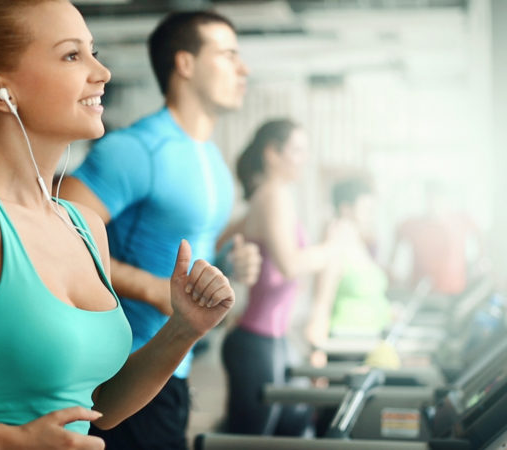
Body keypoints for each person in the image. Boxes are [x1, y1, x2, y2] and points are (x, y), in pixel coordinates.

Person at [0, 1, 235, 448]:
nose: (102, 73)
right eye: (71, 55)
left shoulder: (83, 226)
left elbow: (101, 406)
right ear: (1, 91)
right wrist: (10, 442)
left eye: (93, 52)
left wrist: (183, 329)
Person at [59, 10, 260, 450]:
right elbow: (51, 236)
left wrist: (226, 266)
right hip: (123, 375)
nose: (242, 69)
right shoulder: (136, 150)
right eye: (228, 56)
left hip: (176, 368)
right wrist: (151, 287)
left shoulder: (212, 161)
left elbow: (183, 252)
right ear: (185, 64)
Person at [219, 119, 338, 435]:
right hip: (257, 340)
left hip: (271, 338)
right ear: (272, 153)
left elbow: (222, 240)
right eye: (297, 150)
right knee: (250, 440)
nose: (304, 159)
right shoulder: (273, 195)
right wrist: (331, 249)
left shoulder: (266, 196)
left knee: (288, 430)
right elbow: (288, 265)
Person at [306, 177, 391, 355]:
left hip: (369, 342)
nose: (371, 215)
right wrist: (317, 353)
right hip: (345, 346)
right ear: (346, 209)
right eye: (366, 209)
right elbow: (321, 303)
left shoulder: (358, 241)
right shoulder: (335, 245)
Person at [387, 180, 487, 296]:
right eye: (430, 199)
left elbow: (479, 233)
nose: (434, 203)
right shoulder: (414, 224)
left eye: (437, 199)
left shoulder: (459, 220)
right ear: (425, 199)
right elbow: (398, 232)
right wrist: (391, 265)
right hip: (422, 293)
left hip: (454, 291)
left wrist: (482, 260)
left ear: (445, 199)